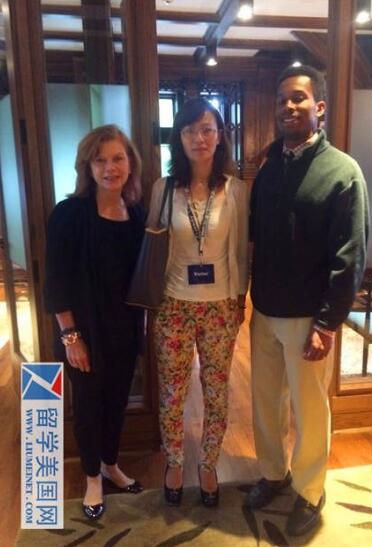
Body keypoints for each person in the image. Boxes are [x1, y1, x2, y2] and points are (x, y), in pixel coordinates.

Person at [245, 65, 369, 536]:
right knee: (265, 403)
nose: (288, 107)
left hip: (308, 317)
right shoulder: (269, 169)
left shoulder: (343, 172)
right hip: (265, 310)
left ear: (319, 107)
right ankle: (273, 474)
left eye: (298, 98)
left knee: (310, 409)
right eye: (282, 100)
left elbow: (351, 255)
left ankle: (310, 491)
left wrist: (328, 323)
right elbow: (256, 239)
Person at [148, 98, 249, 508]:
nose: (199, 138)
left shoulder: (236, 190)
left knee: (216, 389)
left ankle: (208, 464)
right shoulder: (163, 188)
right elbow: (152, 248)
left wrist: (239, 300)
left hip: (220, 306)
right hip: (173, 304)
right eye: (190, 130)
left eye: (207, 129)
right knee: (173, 390)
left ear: (220, 135)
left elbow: (241, 251)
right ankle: (175, 462)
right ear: (179, 138)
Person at [44, 124, 145, 520]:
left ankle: (110, 464)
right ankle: (91, 479)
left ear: (130, 163)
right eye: (100, 160)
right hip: (83, 332)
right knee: (88, 405)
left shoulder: (136, 214)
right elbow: (56, 281)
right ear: (87, 166)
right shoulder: (68, 215)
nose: (109, 168)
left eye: (117, 158)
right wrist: (71, 337)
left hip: (124, 330)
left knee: (116, 402)